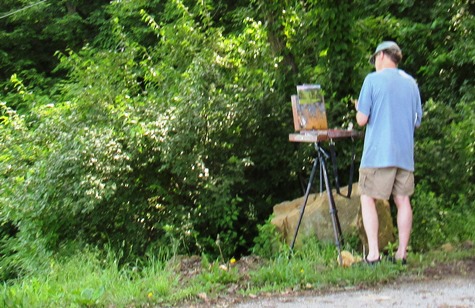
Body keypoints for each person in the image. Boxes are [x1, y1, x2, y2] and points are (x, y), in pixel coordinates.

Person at [355, 41, 423, 264]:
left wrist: (358, 108)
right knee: (402, 200)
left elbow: (362, 120)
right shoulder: (411, 83)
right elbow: (417, 122)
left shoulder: (372, 80)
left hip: (378, 154)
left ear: (382, 55)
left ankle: (373, 254)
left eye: (375, 58)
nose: (375, 63)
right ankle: (401, 254)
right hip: (404, 154)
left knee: (367, 198)